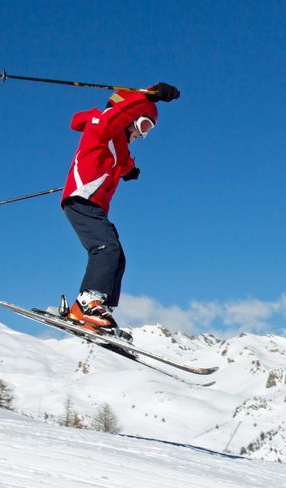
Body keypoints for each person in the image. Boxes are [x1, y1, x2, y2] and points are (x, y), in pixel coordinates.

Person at [60, 82, 180, 333]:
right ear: (128, 115)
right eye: (143, 125)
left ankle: (101, 308)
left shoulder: (119, 145)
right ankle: (86, 303)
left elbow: (124, 160)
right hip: (81, 199)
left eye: (149, 130)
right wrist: (146, 96)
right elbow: (110, 121)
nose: (142, 134)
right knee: (105, 247)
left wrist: (130, 170)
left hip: (94, 207)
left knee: (118, 256)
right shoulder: (100, 125)